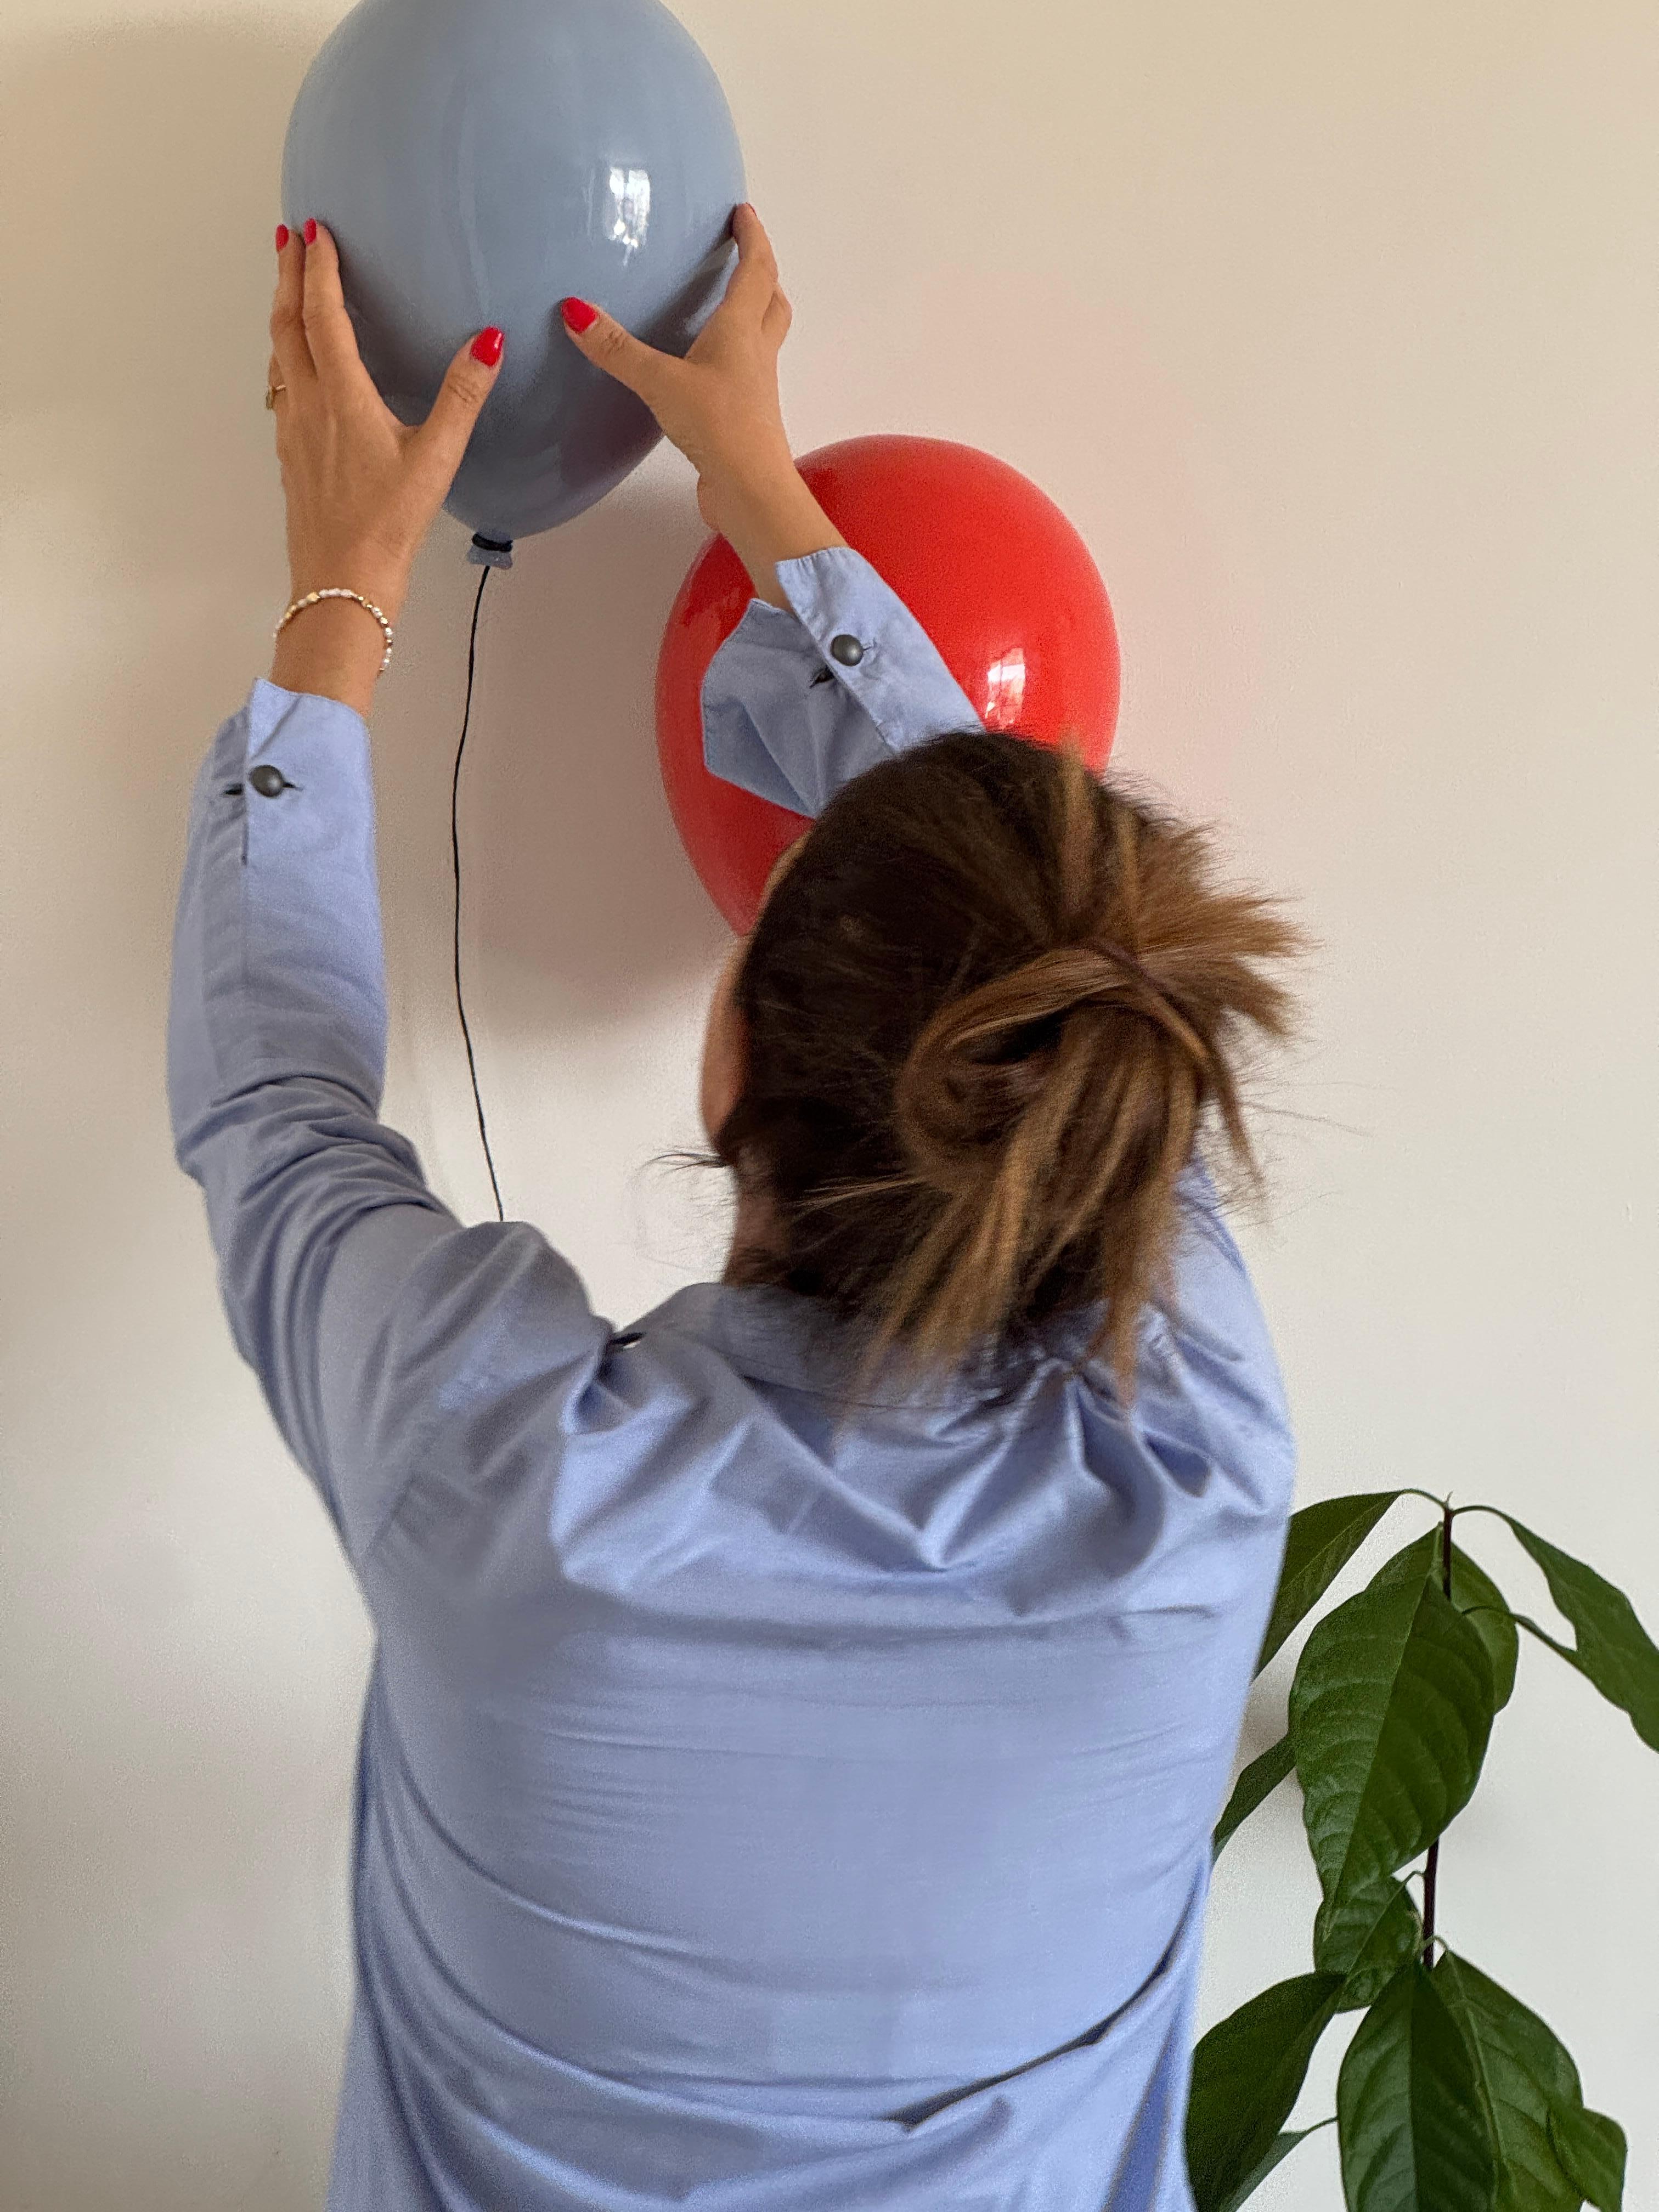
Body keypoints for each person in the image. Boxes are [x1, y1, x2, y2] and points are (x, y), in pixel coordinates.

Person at [168, 203, 1303, 2212]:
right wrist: (767, 502)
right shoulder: (1190, 1491)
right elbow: (1065, 969)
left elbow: (275, 1105)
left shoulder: (514, 1482)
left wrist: (352, 576)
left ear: (726, 1065)